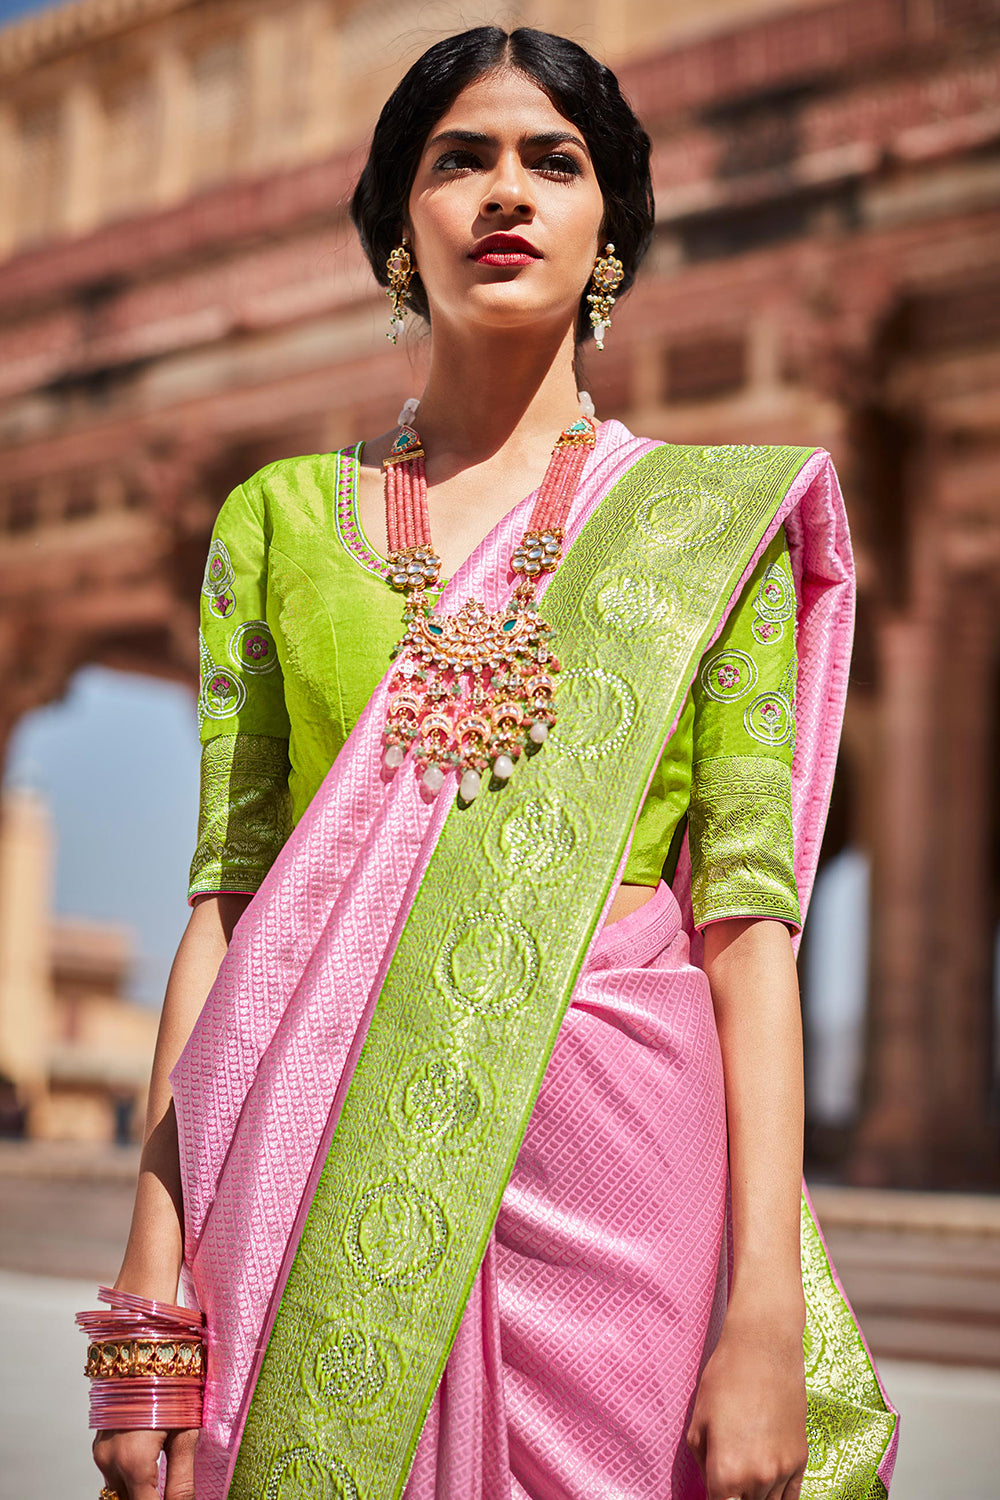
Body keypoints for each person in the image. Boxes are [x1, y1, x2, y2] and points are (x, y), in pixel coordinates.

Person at [90, 26, 898, 1500]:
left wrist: (765, 1310)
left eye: (555, 161)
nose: (504, 194)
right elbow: (228, 904)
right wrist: (155, 1274)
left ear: (610, 233)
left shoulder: (707, 528)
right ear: (402, 228)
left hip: (620, 1183)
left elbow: (748, 927)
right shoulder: (281, 523)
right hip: (310, 1163)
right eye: (459, 160)